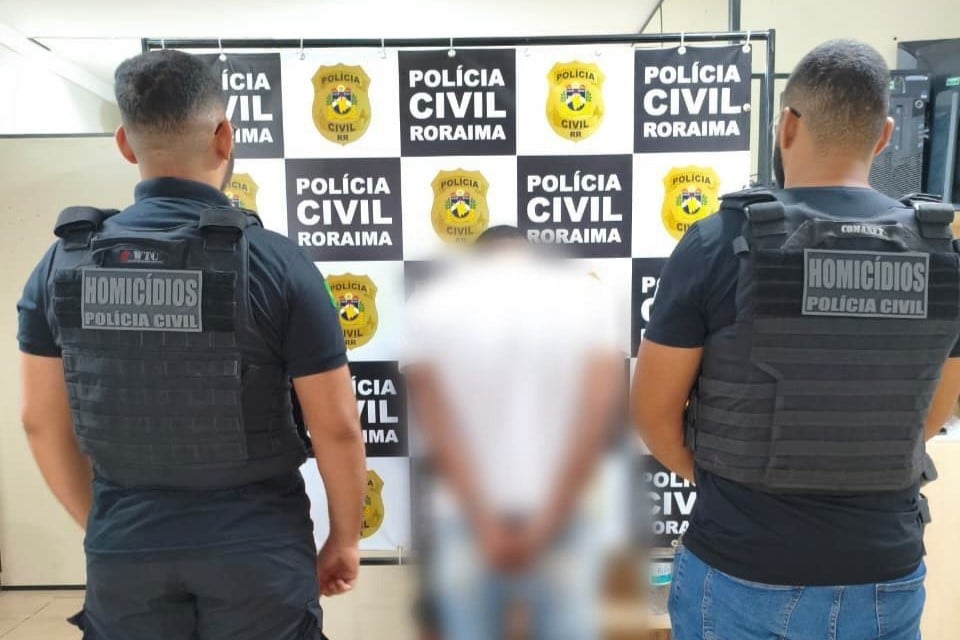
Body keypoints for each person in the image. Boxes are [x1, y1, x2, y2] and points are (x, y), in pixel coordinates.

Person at [17, 49, 366, 640]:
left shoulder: (61, 264)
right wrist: (346, 539)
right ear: (224, 137)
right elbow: (335, 427)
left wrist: (106, 526)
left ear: (125, 144)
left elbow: (40, 423)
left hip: (126, 545)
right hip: (257, 548)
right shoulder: (278, 264)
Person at [632, 39, 960, 640]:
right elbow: (930, 417)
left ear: (786, 124)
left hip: (740, 566)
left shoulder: (715, 244)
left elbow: (653, 415)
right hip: (882, 574)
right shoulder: (941, 254)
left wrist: (731, 479)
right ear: (884, 137)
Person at [403, 226, 624, 640]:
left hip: (490, 517)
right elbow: (592, 423)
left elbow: (593, 422)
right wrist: (544, 523)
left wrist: (491, 524)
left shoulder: (430, 309)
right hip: (517, 517)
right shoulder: (584, 308)